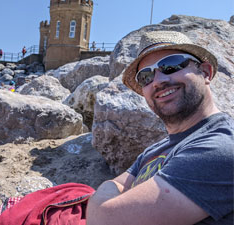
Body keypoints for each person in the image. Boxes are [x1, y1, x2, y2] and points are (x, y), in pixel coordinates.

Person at [86, 31, 233, 224]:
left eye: (171, 65)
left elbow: (104, 218)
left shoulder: (219, 147)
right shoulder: (156, 149)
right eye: (145, 76)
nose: (158, 81)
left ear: (205, 72)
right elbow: (114, 184)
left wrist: (101, 199)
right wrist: (108, 190)